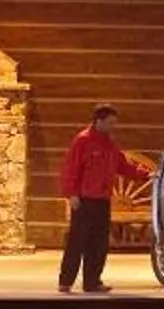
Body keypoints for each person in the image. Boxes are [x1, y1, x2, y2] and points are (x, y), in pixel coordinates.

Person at [57, 103, 154, 294]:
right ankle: (65, 281)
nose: (112, 127)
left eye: (114, 123)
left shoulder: (110, 144)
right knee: (77, 242)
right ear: (98, 121)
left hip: (102, 200)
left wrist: (146, 174)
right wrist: (72, 194)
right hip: (84, 199)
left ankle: (92, 282)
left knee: (99, 243)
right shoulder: (82, 141)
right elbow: (71, 169)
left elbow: (123, 166)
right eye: (110, 123)